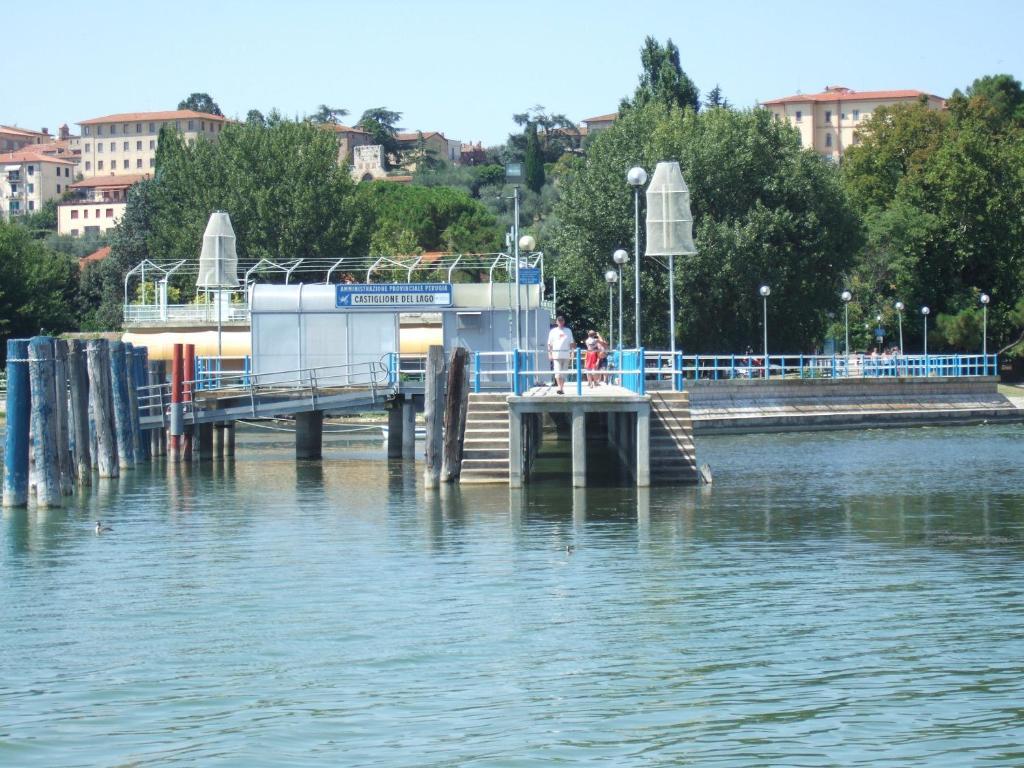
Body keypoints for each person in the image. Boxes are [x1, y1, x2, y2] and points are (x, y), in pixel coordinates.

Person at [547, 315, 574, 394]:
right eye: (559, 321)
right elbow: (549, 344)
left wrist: (572, 352)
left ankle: (561, 388)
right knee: (558, 372)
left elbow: (571, 343)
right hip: (556, 355)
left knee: (564, 373)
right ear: (556, 322)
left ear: (564, 322)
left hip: (566, 355)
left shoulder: (568, 331)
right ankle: (559, 387)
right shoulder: (553, 331)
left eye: (562, 321)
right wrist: (549, 354)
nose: (560, 322)